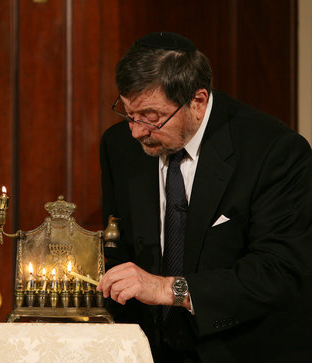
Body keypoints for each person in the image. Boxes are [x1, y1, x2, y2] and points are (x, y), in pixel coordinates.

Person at [97, 32, 312, 363]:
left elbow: (278, 271)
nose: (136, 131)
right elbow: (118, 247)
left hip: (244, 349)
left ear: (197, 101)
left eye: (151, 118)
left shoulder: (272, 150)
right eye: (127, 112)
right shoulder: (118, 147)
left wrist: (168, 289)